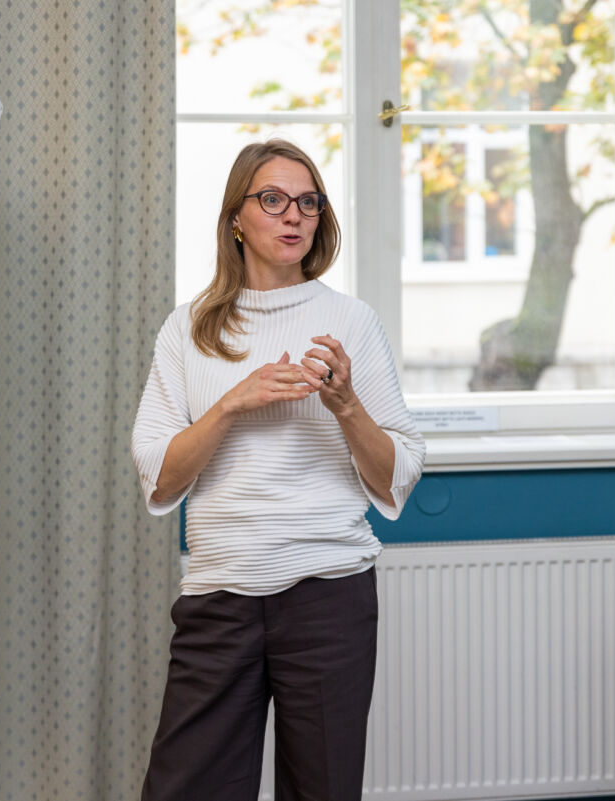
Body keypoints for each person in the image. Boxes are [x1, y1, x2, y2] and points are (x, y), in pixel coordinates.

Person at [130, 139, 425, 801]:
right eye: (272, 199)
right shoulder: (188, 330)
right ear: (236, 216)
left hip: (329, 598)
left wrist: (347, 406)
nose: (293, 214)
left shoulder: (351, 322)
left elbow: (398, 474)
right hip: (219, 597)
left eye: (308, 201)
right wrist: (231, 404)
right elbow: (160, 476)